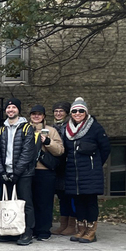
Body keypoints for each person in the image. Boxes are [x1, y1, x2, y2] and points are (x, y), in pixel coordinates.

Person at [63, 97, 110, 243]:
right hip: (73, 171)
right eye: (75, 111)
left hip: (90, 172)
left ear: (86, 112)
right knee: (78, 201)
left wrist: (95, 164)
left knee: (90, 201)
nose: (78, 113)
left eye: (81, 111)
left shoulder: (95, 127)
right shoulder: (67, 129)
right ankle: (81, 229)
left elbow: (105, 148)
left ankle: (91, 230)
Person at [0, 97, 37, 245]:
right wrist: (1, 172)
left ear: (18, 110)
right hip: (6, 172)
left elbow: (27, 152)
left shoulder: (26, 128)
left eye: (13, 108)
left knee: (25, 203)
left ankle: (26, 232)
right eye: (8, 108)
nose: (10, 110)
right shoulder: (1, 129)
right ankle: (10, 231)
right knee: (8, 203)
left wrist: (17, 172)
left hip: (23, 173)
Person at [29, 104, 65, 241]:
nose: (36, 116)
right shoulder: (25, 130)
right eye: (34, 114)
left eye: (39, 114)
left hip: (45, 171)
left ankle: (43, 230)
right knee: (30, 202)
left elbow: (60, 150)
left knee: (44, 202)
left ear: (44, 116)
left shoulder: (51, 130)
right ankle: (31, 228)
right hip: (28, 171)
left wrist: (48, 141)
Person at [51, 101, 76, 236]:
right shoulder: (52, 127)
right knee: (62, 196)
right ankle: (63, 224)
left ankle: (72, 224)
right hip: (57, 166)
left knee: (70, 195)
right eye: (56, 111)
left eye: (61, 111)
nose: (58, 113)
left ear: (66, 113)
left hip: (68, 166)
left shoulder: (70, 127)